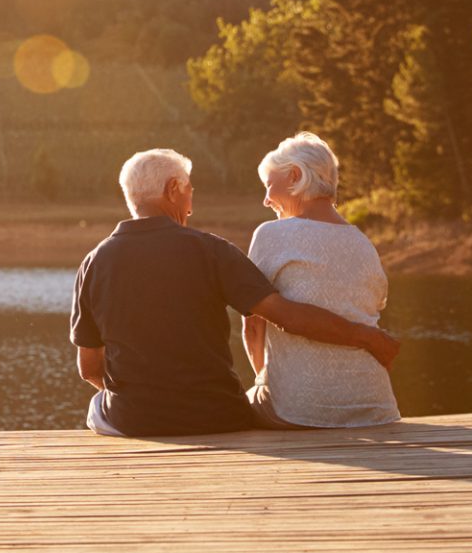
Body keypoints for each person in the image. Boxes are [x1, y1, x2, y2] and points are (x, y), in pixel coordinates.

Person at [71, 148, 399, 437]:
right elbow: (285, 315)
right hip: (217, 415)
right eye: (189, 193)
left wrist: (139, 401)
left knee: (96, 407)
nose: (191, 206)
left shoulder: (94, 262)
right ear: (173, 190)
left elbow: (89, 369)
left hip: (134, 419)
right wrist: (366, 336)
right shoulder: (212, 251)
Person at [242, 132, 400, 429]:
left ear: (295, 176)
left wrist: (265, 380)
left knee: (241, 402)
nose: (265, 200)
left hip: (301, 411)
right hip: (375, 409)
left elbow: (252, 325)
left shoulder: (271, 234)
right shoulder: (363, 242)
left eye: (268, 186)